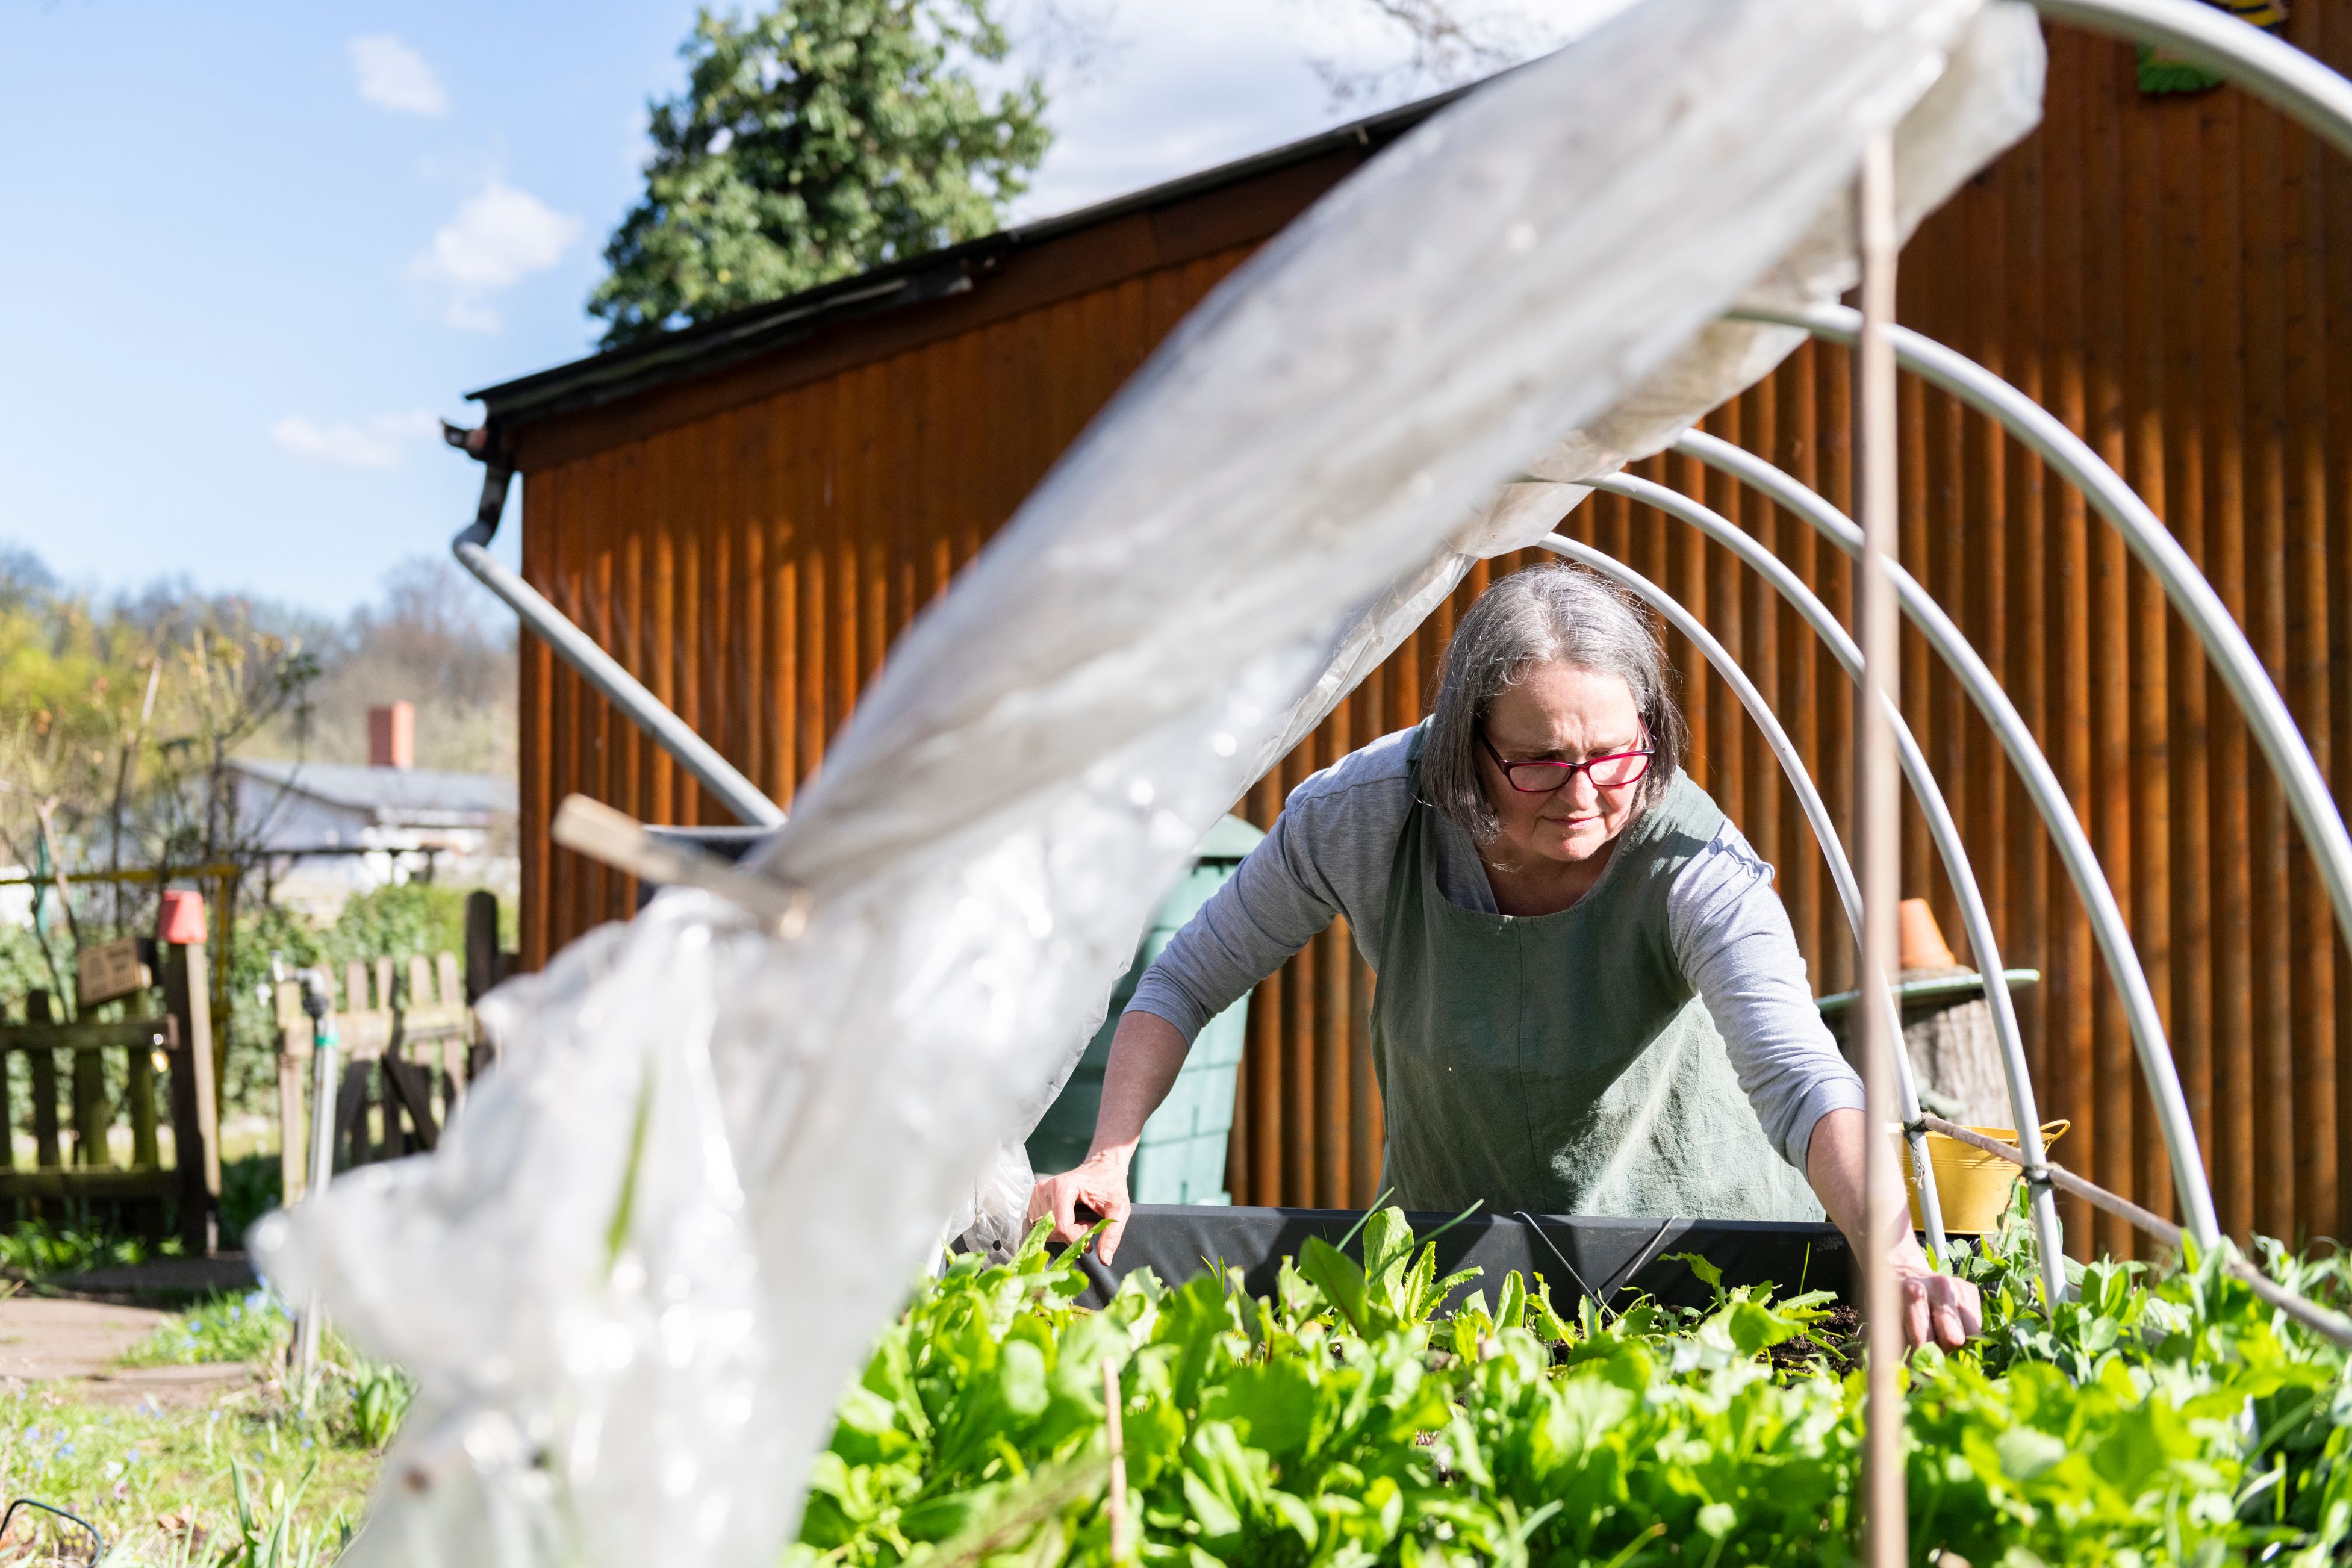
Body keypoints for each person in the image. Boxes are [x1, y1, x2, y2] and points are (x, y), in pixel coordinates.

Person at [1029, 562, 1980, 1350]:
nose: (1583, 794)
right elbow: (1183, 979)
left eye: (1614, 755)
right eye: (1540, 762)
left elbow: (1798, 1072)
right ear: (1463, 745)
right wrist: (1106, 1160)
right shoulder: (1363, 816)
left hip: (1703, 1263)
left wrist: (1895, 1261)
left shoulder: (1693, 859)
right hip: (1455, 1275)